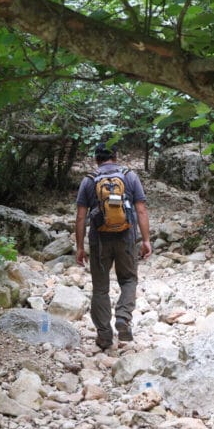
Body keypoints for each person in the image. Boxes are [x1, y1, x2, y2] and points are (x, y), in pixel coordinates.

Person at [74, 142, 152, 350]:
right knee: (128, 279)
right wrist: (146, 240)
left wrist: (79, 246)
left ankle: (105, 336)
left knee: (100, 289)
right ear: (115, 157)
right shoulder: (129, 176)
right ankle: (123, 318)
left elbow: (81, 217)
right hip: (126, 236)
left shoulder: (89, 181)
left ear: (96, 159)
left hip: (99, 239)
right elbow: (141, 210)